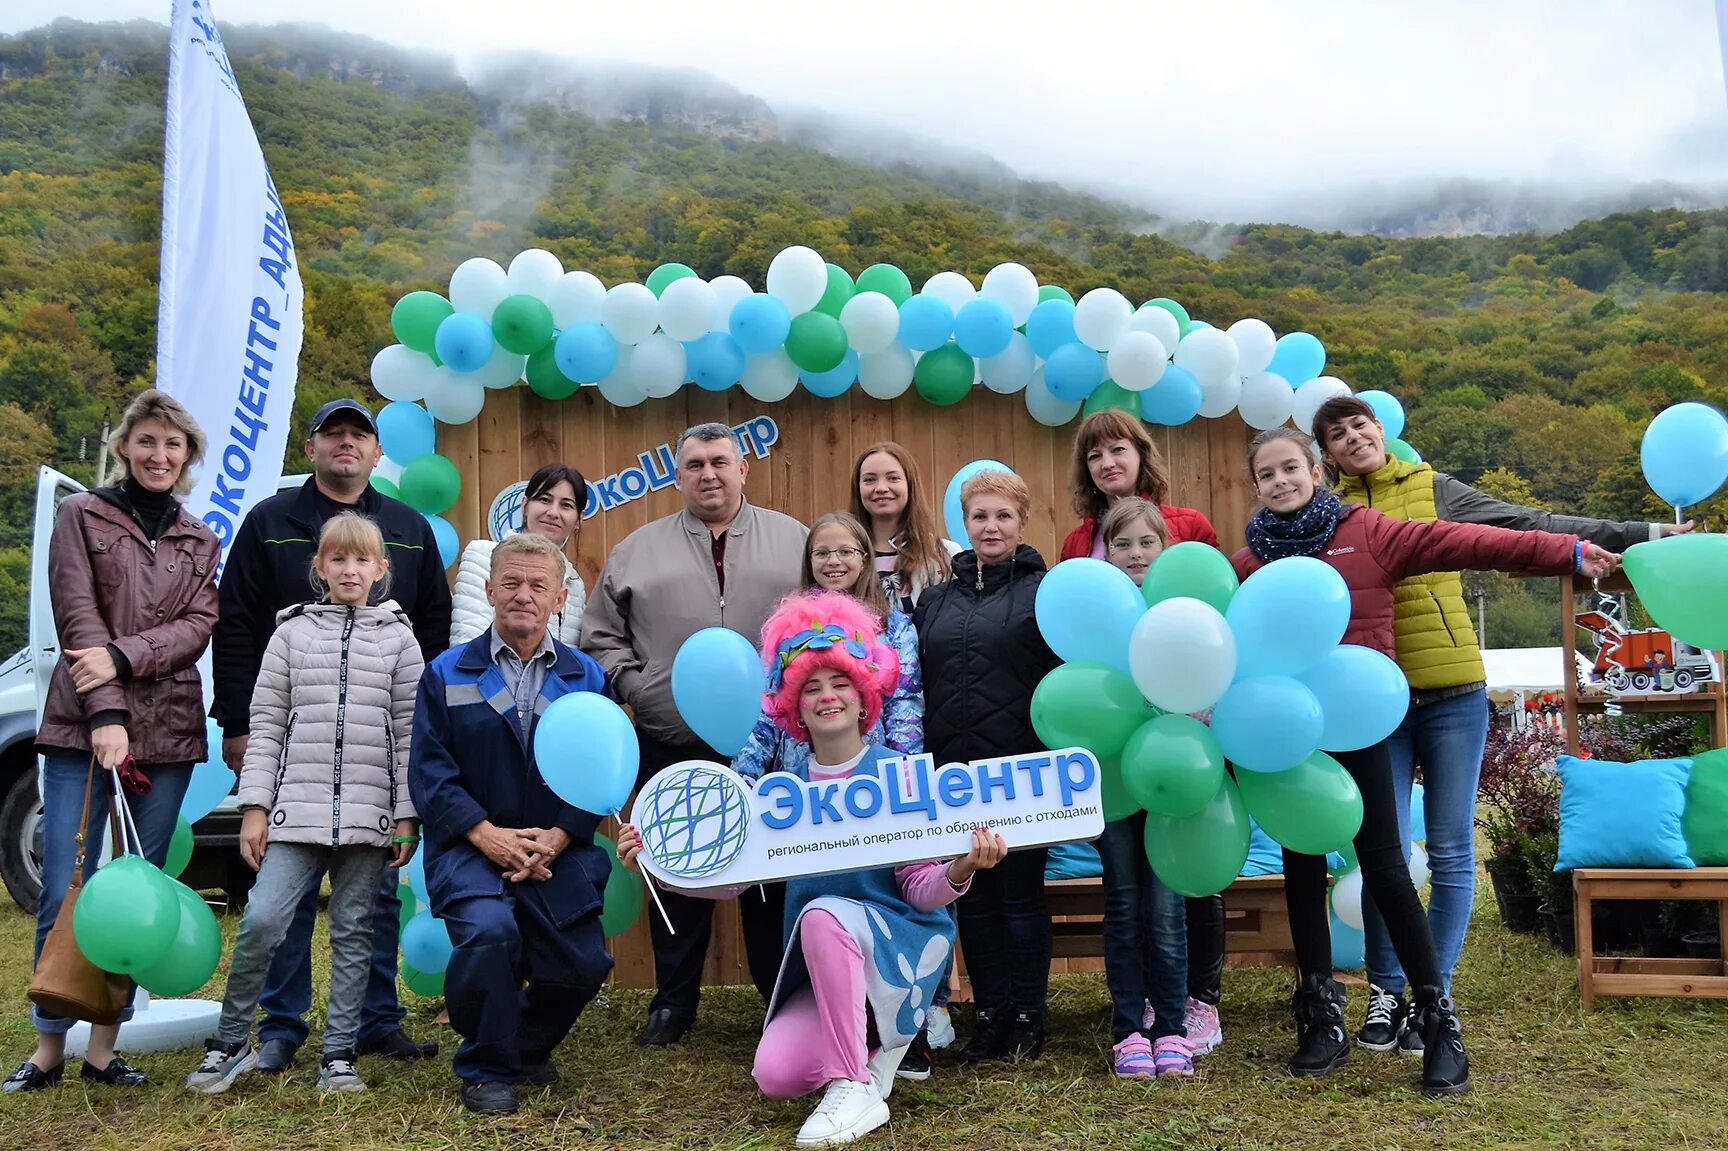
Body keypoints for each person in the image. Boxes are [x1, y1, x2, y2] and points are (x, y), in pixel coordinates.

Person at [1231, 426, 1617, 1096]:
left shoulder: (1370, 530)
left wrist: (1569, 549)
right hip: (1291, 741)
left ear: (1316, 471)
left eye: (1291, 467)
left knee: (1384, 864)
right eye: (1267, 474)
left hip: (1359, 726)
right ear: (1256, 484)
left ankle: (1438, 1019)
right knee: (1301, 866)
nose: (1281, 481)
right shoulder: (1247, 561)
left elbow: (1474, 541)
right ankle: (1320, 1016)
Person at [1311, 394, 1686, 1053]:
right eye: (1336, 434)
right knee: (1382, 852)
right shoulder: (1329, 518)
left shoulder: (1432, 488)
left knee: (1453, 850)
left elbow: (1522, 524)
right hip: (1375, 700)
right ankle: (1384, 993)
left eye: (1358, 424)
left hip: (1452, 685)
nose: (1352, 437)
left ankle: (1437, 995)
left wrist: (1643, 536)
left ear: (1380, 430)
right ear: (1329, 455)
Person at [617, 590, 1005, 1149]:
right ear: (792, 707)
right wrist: (657, 862)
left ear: (864, 694)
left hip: (903, 942)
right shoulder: (781, 795)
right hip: (828, 959)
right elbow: (733, 882)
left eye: (840, 683)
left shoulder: (897, 775)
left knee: (823, 916)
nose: (827, 697)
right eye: (811, 688)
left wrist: (964, 866)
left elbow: (921, 891)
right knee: (776, 1076)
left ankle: (854, 1081)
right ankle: (878, 1047)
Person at [210, 397, 451, 1073]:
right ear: (312, 446)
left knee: (369, 902)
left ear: (377, 454)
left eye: (359, 435)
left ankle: (370, 1022)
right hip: (296, 750)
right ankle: (282, 1026)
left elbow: (431, 632)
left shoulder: (407, 526)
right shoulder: (269, 522)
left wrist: (422, 757)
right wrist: (238, 724)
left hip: (375, 763)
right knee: (280, 906)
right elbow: (234, 626)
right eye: (332, 434)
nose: (346, 444)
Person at [5, 391, 219, 1094]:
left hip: (169, 733)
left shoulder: (199, 538)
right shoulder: (80, 516)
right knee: (66, 885)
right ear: (126, 446)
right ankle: (47, 1049)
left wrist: (126, 659)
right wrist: (104, 712)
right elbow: (76, 614)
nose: (160, 455)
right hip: (80, 730)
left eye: (174, 445)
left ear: (187, 457)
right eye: (148, 442)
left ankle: (103, 1048)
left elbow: (197, 626)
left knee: (142, 891)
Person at [582, 421, 808, 1046]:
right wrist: (634, 686)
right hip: (670, 737)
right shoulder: (636, 549)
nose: (708, 474)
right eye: (694, 465)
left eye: (720, 462)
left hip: (773, 743)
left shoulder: (794, 539)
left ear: (744, 470)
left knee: (772, 874)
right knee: (677, 872)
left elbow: (823, 618)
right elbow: (601, 633)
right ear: (677, 475)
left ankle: (780, 995)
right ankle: (674, 1003)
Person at [186, 514, 422, 1096]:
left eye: (362, 560)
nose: (350, 569)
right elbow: (265, 728)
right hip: (295, 812)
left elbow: (411, 731)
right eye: (338, 558)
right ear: (319, 567)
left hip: (371, 819)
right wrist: (255, 807)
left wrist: (407, 813)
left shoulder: (399, 638)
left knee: (353, 932)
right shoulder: (290, 635)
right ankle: (231, 1041)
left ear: (380, 570)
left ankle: (338, 1055)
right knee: (262, 919)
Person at [410, 533, 613, 1116]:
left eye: (538, 586)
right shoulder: (446, 674)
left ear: (561, 598)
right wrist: (485, 835)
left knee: (585, 964)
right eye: (513, 583)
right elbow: (430, 773)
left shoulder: (587, 679)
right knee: (491, 933)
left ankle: (520, 1043)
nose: (523, 595)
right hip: (470, 848)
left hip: (557, 849)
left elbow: (600, 771)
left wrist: (563, 832)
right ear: (488, 588)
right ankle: (486, 1068)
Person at [1059, 411, 1229, 1057]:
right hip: (1111, 756)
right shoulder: (1078, 543)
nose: (1108, 461)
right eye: (1095, 452)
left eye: (1119, 448)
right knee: (1125, 896)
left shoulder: (1188, 529)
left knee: (1174, 896)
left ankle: (1186, 1011)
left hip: (1178, 751)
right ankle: (1131, 1021)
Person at [915, 470, 1062, 1062]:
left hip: (1022, 771)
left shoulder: (1046, 591)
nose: (991, 526)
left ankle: (1029, 1015)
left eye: (1003, 515)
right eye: (980, 516)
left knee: (1020, 897)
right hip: (954, 773)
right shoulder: (934, 599)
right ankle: (991, 1013)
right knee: (972, 897)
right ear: (964, 523)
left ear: (1021, 521)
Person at [1093, 499, 1196, 1079]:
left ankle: (1173, 1027)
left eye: (1146, 543)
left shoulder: (1183, 612)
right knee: (1123, 903)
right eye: (1123, 544)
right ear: (1107, 552)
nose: (1135, 554)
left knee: (1166, 908)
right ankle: (1129, 1029)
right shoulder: (1099, 614)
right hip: (1113, 782)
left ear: (1164, 549)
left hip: (1173, 777)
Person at [731, 512, 923, 779]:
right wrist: (743, 781)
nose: (834, 561)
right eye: (821, 553)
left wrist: (905, 777)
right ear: (809, 561)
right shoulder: (789, 626)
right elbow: (767, 712)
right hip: (800, 783)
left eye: (846, 551)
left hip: (875, 778)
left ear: (865, 558)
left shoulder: (893, 626)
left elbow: (905, 706)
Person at [451, 462, 589, 646]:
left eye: (566, 505)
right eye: (545, 500)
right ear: (525, 506)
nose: (553, 513)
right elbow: (467, 642)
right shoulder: (483, 556)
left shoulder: (574, 584)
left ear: (579, 519)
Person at [1058, 410, 1220, 558]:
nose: (1107, 464)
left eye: (1118, 449)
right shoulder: (1074, 544)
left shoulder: (1191, 527)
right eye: (1095, 456)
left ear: (1141, 454)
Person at [849, 442, 957, 614]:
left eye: (893, 478)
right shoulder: (841, 558)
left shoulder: (944, 555)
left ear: (909, 484)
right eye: (869, 479)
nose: (881, 488)